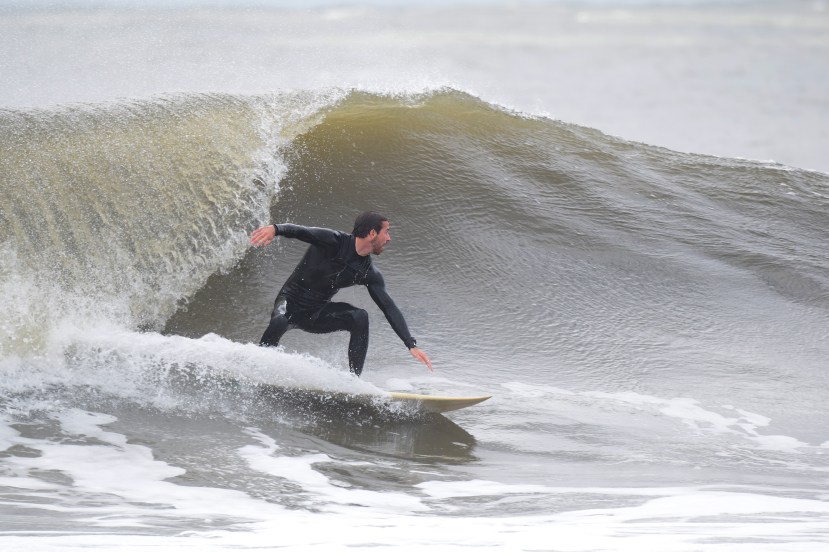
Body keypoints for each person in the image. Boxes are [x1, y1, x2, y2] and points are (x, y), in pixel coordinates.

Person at [249, 211, 433, 376]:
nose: (389, 238)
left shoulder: (368, 272)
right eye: (386, 232)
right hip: (290, 302)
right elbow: (302, 231)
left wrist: (410, 343)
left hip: (316, 315)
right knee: (281, 320)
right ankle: (257, 369)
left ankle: (354, 381)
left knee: (359, 317)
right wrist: (275, 229)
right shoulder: (334, 241)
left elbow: (388, 306)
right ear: (372, 233)